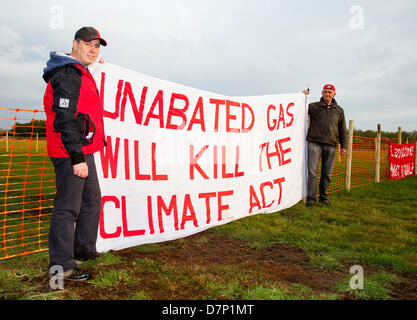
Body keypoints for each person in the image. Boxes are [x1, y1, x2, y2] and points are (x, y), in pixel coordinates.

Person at [42, 27, 107, 281]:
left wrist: (97, 65)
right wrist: (77, 158)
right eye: (88, 44)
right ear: (74, 44)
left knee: (92, 201)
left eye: (97, 46)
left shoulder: (80, 71)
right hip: (70, 151)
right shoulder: (67, 75)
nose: (93, 49)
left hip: (84, 149)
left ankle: (83, 250)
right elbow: (64, 118)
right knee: (68, 208)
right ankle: (62, 267)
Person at [304, 84, 347, 206]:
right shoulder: (313, 106)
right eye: (325, 92)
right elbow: (299, 108)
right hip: (314, 143)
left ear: (334, 94)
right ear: (322, 93)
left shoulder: (339, 110)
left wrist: (343, 146)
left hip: (331, 144)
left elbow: (342, 129)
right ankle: (311, 199)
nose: (327, 94)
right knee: (312, 172)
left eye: (329, 92)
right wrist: (303, 97)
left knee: (326, 173)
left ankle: (324, 197)